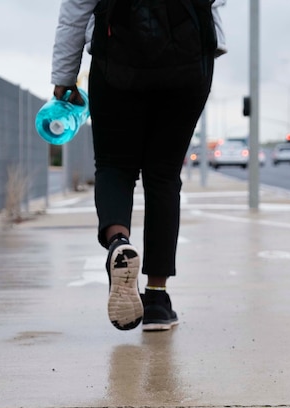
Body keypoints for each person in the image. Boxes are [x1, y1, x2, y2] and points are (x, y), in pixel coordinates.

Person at [51, 0, 227, 332]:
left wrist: (64, 78)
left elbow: (73, 15)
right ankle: (157, 301)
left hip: (115, 64)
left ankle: (119, 241)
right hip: (187, 67)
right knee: (163, 175)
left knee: (115, 165)